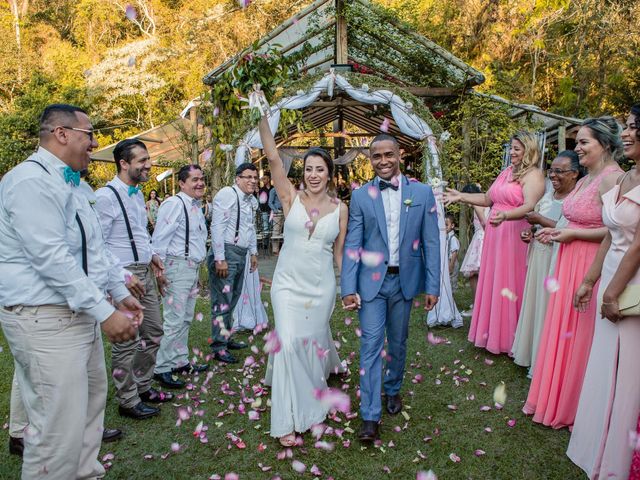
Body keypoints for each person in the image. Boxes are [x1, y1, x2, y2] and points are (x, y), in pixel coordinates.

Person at [0, 104, 142, 479]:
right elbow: (51, 257)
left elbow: (92, 250)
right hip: (45, 318)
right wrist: (104, 311)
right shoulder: (29, 181)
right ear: (62, 134)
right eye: (89, 134)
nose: (93, 144)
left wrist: (117, 290)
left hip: (77, 315)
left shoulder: (75, 185)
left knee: (89, 411)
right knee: (56, 431)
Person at [523, 117, 623, 428]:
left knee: (579, 334)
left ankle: (573, 406)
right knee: (561, 329)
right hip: (566, 257)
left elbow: (616, 231)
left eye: (583, 142)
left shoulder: (613, 179)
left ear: (605, 144)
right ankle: (552, 397)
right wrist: (555, 233)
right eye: (577, 141)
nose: (576, 148)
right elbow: (573, 220)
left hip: (589, 263)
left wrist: (574, 236)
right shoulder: (584, 180)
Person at [341, 133, 440, 442]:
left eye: (388, 155)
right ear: (370, 160)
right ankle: (370, 417)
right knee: (370, 346)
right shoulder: (359, 197)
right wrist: (347, 286)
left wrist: (433, 285)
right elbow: (352, 245)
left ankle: (393, 388)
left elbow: (432, 242)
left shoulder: (423, 193)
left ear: (400, 155)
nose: (382, 161)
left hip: (405, 282)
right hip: (371, 284)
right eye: (376, 156)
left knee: (397, 343)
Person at [258, 116, 348, 446]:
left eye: (319, 169)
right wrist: (262, 116)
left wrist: (348, 289)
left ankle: (310, 402)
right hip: (286, 285)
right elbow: (271, 157)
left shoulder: (341, 209)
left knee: (309, 347)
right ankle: (284, 421)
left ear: (329, 174)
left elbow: (338, 255)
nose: (313, 175)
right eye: (308, 169)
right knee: (288, 341)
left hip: (321, 287)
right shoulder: (289, 198)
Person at [567, 106, 640, 478]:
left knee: (627, 373)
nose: (625, 134)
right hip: (609, 278)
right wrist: (589, 282)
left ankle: (616, 460)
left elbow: (637, 246)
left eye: (632, 128)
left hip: (631, 290)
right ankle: (592, 444)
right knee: (602, 363)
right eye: (625, 128)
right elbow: (611, 235)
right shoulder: (624, 179)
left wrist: (612, 294)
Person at [444, 131, 546, 354]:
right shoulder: (506, 172)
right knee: (493, 281)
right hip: (495, 234)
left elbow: (529, 206)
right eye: (512, 148)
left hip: (514, 234)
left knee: (510, 282)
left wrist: (506, 216)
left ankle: (512, 340)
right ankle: (491, 335)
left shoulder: (534, 176)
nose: (512, 153)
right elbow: (487, 199)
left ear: (529, 150)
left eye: (517, 149)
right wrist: (461, 196)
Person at [95, 139, 173, 418]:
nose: (148, 165)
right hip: (123, 275)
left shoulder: (138, 195)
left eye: (148, 158)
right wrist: (120, 277)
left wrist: (152, 255)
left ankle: (142, 386)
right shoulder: (104, 197)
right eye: (141, 160)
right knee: (127, 339)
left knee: (153, 331)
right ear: (123, 164)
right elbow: (98, 245)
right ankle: (127, 399)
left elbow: (140, 232)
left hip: (144, 272)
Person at [511, 151, 582, 369]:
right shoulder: (548, 196)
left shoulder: (576, 200)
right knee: (534, 304)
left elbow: (568, 228)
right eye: (552, 170)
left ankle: (545, 359)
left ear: (574, 174)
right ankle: (530, 353)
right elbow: (538, 225)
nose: (553, 176)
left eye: (559, 171)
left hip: (557, 259)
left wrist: (540, 219)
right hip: (538, 257)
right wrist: (530, 232)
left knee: (548, 306)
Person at [152, 164, 209, 384]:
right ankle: (162, 367)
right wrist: (160, 272)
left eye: (201, 178)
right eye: (194, 179)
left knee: (185, 317)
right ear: (182, 183)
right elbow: (159, 240)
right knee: (174, 319)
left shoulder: (194, 205)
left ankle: (179, 361)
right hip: (177, 267)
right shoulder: (174, 204)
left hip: (191, 267)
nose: (200, 183)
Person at [209, 163, 258, 363]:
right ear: (237, 178)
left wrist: (253, 252)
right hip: (226, 253)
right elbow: (217, 226)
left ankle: (226, 337)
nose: (252, 181)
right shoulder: (227, 194)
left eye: (255, 177)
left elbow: (249, 227)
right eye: (248, 177)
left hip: (241, 252)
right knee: (222, 301)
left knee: (233, 298)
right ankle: (218, 347)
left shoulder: (251, 200)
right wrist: (220, 258)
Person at [458, 184, 489, 317]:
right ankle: (481, 304)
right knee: (479, 275)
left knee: (473, 275)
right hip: (483, 238)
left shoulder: (477, 205)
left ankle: (477, 306)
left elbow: (484, 222)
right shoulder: (487, 204)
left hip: (481, 239)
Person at [445, 213, 460, 292]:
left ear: (452, 226)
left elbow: (454, 253)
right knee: (447, 281)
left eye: (446, 225)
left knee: (452, 281)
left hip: (452, 262)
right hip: (448, 261)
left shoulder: (453, 238)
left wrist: (451, 265)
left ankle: (452, 300)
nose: (444, 227)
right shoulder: (446, 237)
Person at [269, 185, 283, 254]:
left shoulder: (284, 188)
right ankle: (275, 250)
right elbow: (270, 202)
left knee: (280, 231)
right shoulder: (273, 190)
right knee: (276, 230)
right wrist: (275, 210)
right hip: (277, 211)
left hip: (284, 211)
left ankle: (279, 249)